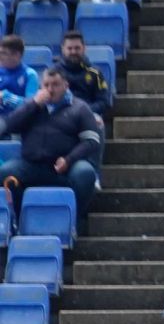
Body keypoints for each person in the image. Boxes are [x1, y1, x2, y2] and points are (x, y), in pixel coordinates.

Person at [0, 66, 100, 228]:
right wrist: (33, 104)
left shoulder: (79, 108)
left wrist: (69, 159)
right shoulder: (32, 106)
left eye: (55, 85)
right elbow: (9, 126)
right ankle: (19, 221)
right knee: (5, 173)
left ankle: (73, 221)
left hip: (65, 166)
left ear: (65, 86)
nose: (50, 89)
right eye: (46, 85)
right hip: (31, 164)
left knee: (85, 173)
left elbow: (91, 140)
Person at [55, 30, 110, 120]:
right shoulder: (55, 72)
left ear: (84, 48)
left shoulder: (95, 73)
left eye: (77, 48)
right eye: (69, 48)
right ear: (63, 49)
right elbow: (48, 99)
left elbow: (104, 102)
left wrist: (84, 111)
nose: (73, 52)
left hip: (88, 116)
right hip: (61, 117)